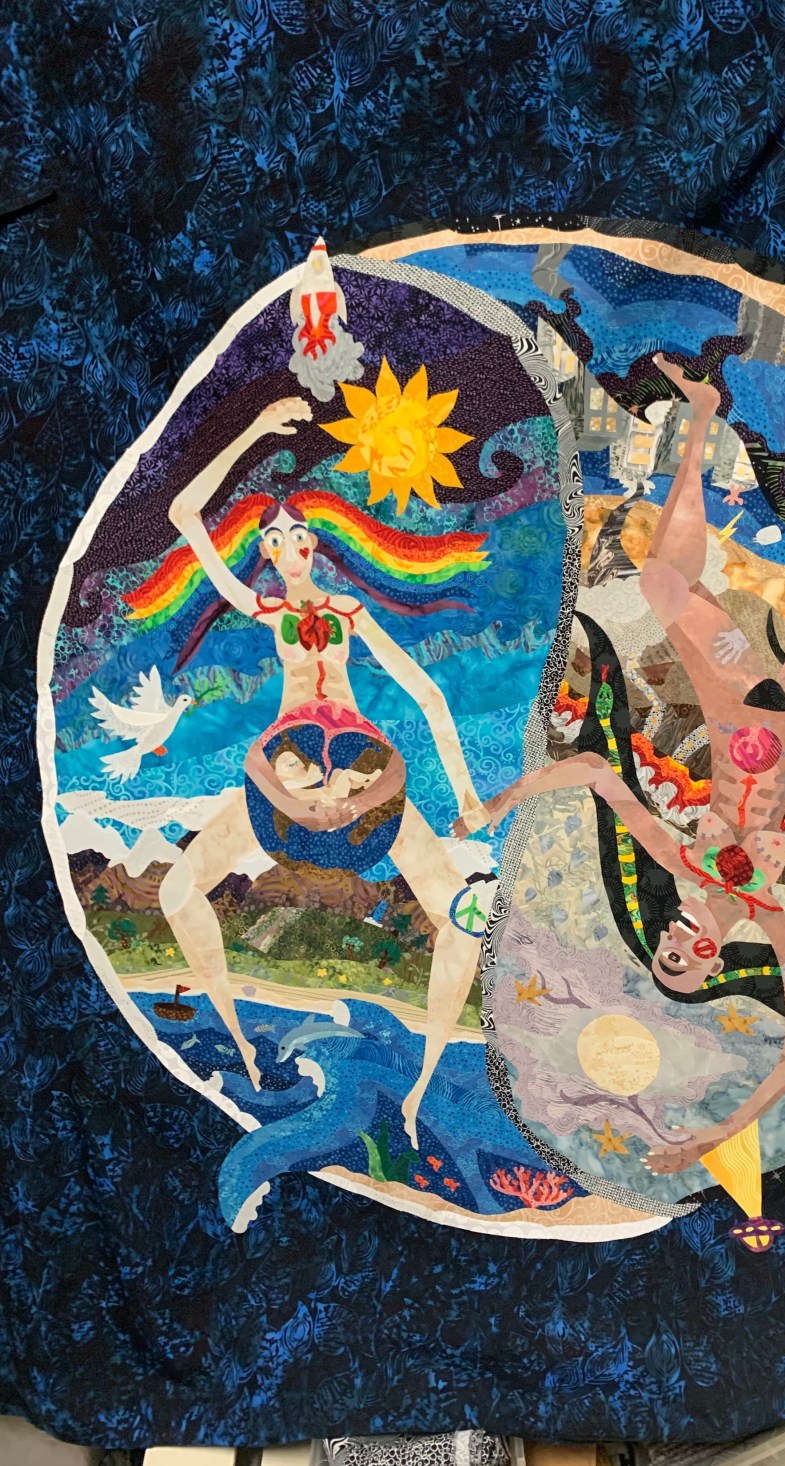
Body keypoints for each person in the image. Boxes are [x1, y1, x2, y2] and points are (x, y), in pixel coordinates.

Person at [457, 356, 785, 1176]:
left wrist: (501, 805)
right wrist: (713, 1139)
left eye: (660, 948)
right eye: (679, 958)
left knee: (664, 579)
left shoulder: (681, 862)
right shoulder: (768, 919)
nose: (671, 940)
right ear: (710, 963)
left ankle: (703, 412)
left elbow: (598, 774)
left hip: (736, 703)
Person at [155, 396, 488, 1144]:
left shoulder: (349, 612)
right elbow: (183, 513)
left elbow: (429, 694)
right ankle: (240, 1044)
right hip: (285, 771)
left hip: (364, 772)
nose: (290, 545)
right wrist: (252, 428)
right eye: (275, 538)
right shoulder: (267, 611)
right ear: (267, 552)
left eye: (299, 534)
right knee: (178, 888)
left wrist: (469, 796)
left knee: (462, 917)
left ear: (316, 544)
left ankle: (422, 1088)